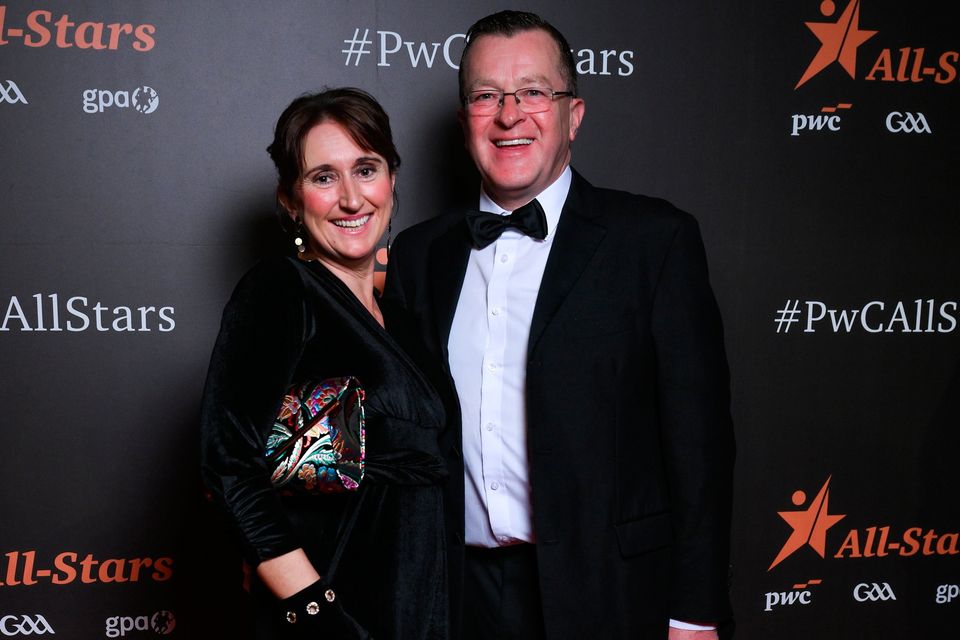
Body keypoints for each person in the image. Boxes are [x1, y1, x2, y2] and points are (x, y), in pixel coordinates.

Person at [384, 10, 734, 640]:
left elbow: (700, 446)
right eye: (486, 95)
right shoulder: (418, 254)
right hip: (457, 597)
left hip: (612, 596)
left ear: (574, 114)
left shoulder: (654, 241)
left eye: (534, 92)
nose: (509, 114)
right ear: (466, 119)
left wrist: (695, 610)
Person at [200, 87, 449, 639]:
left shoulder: (407, 320)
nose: (352, 199)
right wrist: (316, 611)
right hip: (336, 607)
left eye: (366, 169)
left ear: (392, 179)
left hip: (423, 601)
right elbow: (229, 462)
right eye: (322, 177)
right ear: (290, 199)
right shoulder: (281, 290)